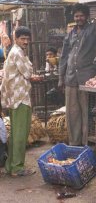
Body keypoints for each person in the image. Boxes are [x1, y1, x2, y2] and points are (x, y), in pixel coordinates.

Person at [58, 3, 96, 146]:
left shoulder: (92, 29)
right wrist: (60, 78)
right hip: (70, 79)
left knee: (86, 112)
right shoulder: (70, 35)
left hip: (87, 79)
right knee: (72, 113)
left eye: (81, 15)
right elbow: (63, 57)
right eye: (76, 16)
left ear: (87, 16)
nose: (79, 18)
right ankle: (74, 143)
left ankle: (87, 143)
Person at [1, 26, 35, 177]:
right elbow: (28, 72)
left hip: (15, 98)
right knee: (21, 134)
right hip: (20, 99)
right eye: (23, 39)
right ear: (16, 39)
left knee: (15, 134)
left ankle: (11, 166)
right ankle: (17, 168)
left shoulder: (15, 51)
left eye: (27, 39)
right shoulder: (17, 53)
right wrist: (30, 68)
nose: (26, 42)